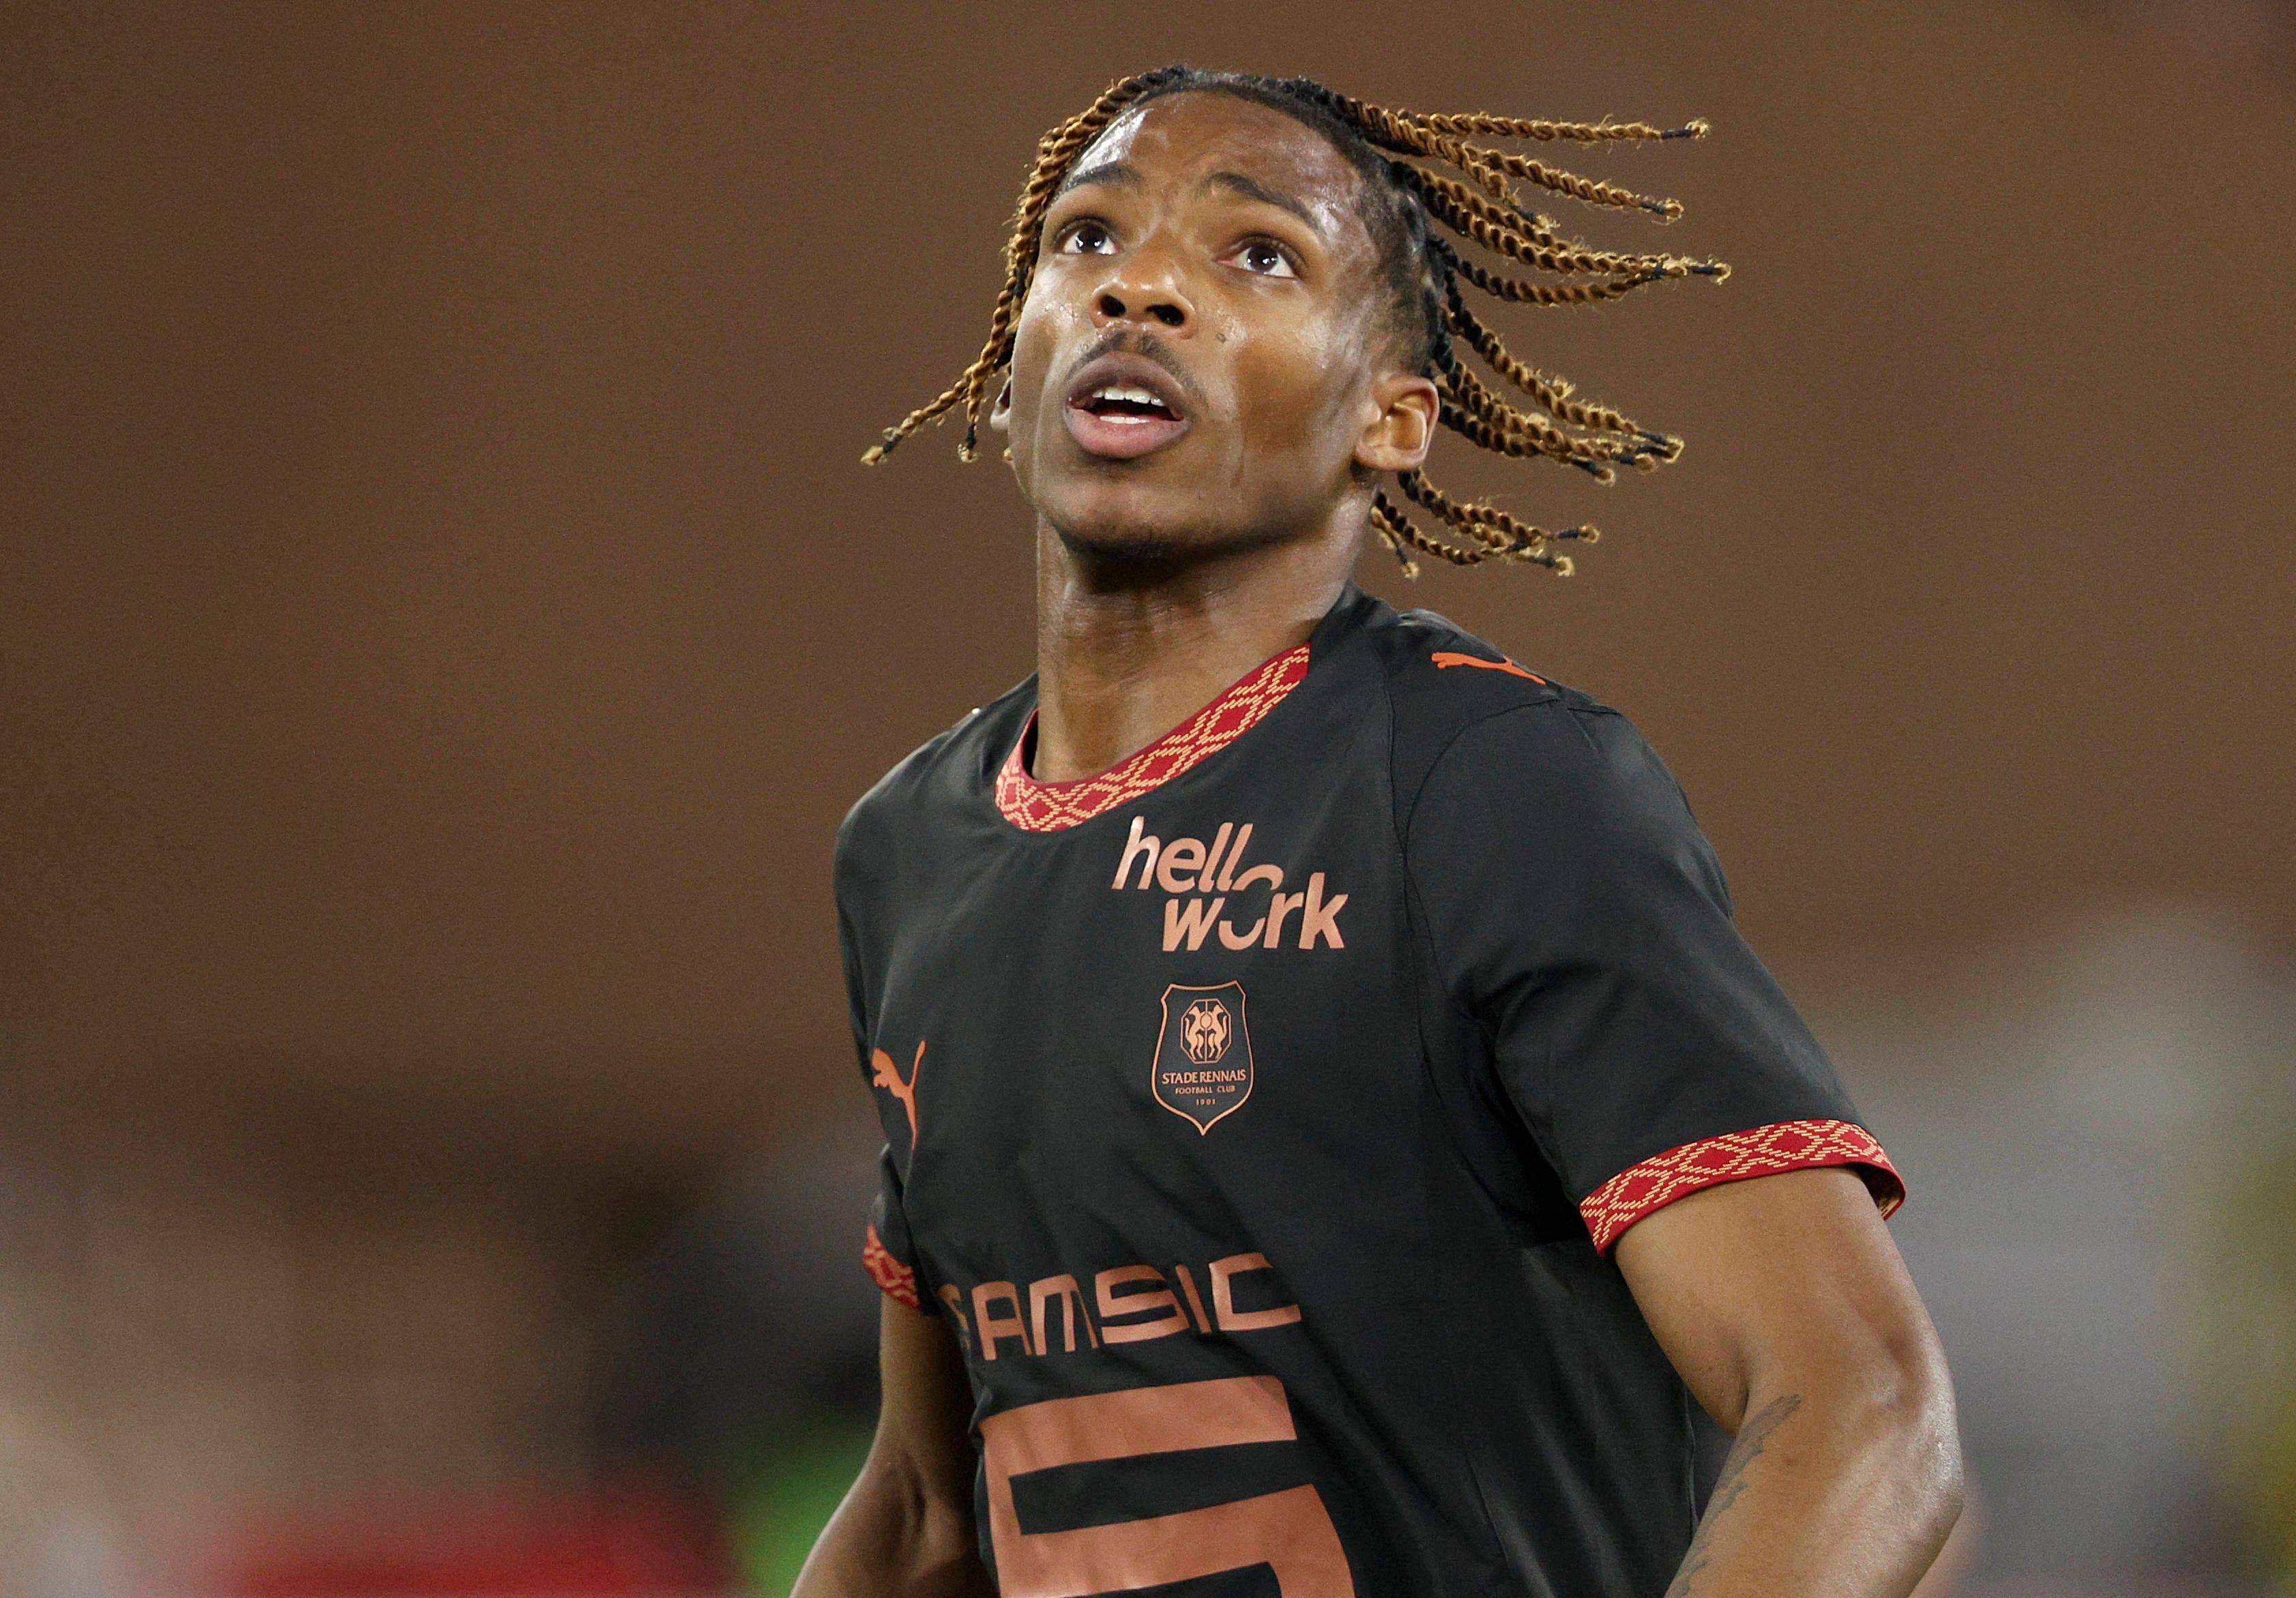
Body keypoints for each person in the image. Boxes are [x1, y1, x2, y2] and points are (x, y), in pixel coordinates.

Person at [796, 67, 1962, 1597]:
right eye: (1087, 239)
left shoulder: (1489, 785)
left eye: (1256, 253)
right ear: (1008, 383)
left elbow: (1858, 1407)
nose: (1137, 288)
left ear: (1389, 419)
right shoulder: (906, 853)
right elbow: (923, 1511)